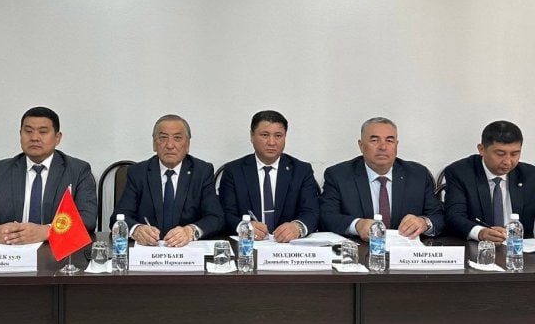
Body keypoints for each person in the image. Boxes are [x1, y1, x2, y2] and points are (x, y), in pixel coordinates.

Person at [0, 107, 97, 245]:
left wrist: (48, 231)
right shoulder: (1, 170)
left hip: (56, 249)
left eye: (43, 132)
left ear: (57, 138)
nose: (34, 138)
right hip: (11, 249)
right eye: (28, 131)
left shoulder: (77, 170)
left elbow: (87, 217)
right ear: (20, 134)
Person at [320, 117, 443, 240]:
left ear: (396, 145)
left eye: (389, 140)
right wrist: (357, 225)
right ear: (361, 145)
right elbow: (326, 217)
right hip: (360, 248)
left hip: (406, 249)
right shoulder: (339, 175)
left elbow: (439, 217)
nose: (383, 147)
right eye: (374, 140)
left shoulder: (417, 175)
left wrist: (424, 223)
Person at [112, 114, 223, 247]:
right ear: (154, 144)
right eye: (163, 138)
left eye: (177, 138)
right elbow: (118, 217)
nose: (170, 145)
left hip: (186, 250)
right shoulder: (138, 173)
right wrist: (136, 230)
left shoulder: (202, 171)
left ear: (187, 145)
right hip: (149, 250)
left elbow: (216, 218)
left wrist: (191, 231)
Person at [218, 110, 319, 242]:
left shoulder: (301, 170)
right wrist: (243, 227)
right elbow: (225, 213)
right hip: (249, 245)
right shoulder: (234, 171)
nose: (272, 142)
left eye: (278, 136)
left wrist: (297, 227)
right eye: (265, 135)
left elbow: (312, 211)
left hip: (288, 247)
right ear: (252, 136)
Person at [445, 120, 535, 241]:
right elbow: (454, 216)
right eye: (500, 154)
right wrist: (480, 232)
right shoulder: (460, 173)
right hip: (479, 247)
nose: (507, 161)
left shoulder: (530, 175)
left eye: (514, 154)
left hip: (519, 248)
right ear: (482, 149)